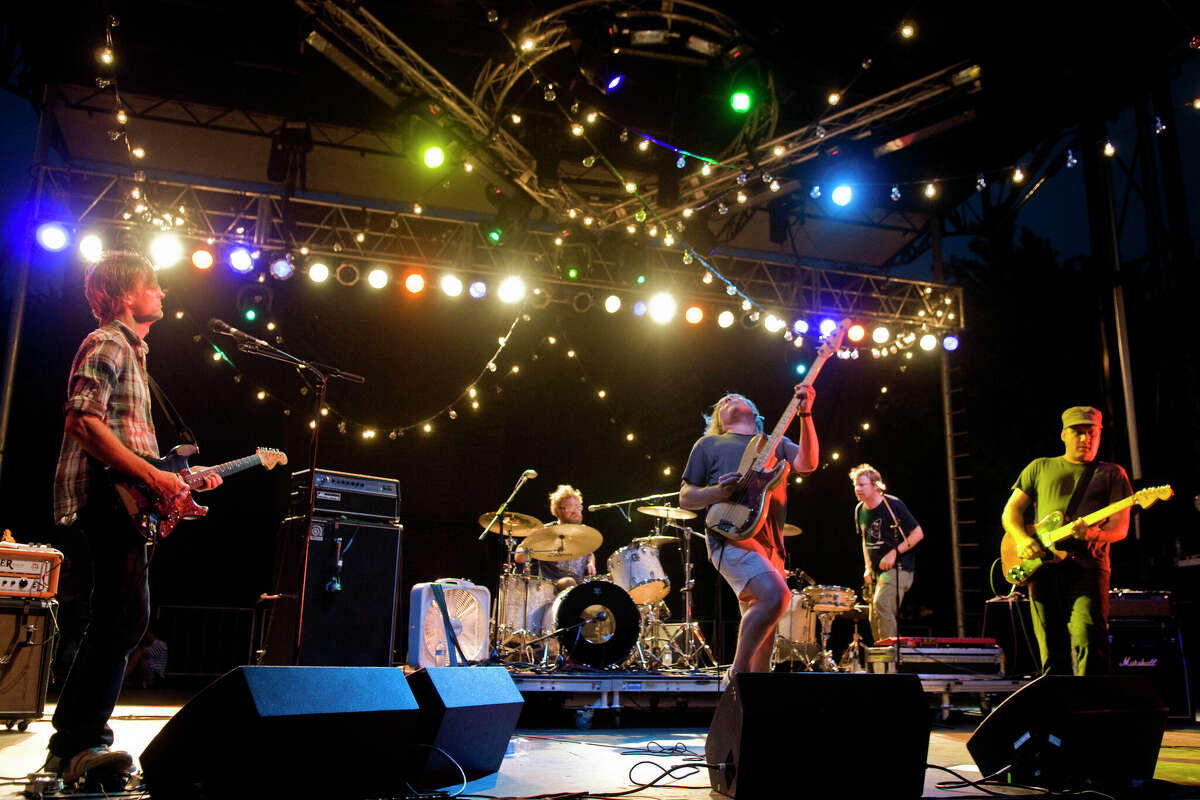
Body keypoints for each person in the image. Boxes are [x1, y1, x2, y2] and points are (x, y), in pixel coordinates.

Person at [45, 251, 221, 786]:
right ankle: (78, 743)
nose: (163, 292)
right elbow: (83, 422)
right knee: (120, 619)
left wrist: (174, 479)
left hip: (126, 499)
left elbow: (132, 445)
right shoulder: (106, 343)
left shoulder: (135, 354)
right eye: (154, 285)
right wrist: (153, 479)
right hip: (106, 497)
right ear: (126, 295)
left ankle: (71, 744)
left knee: (124, 620)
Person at [680, 386, 818, 675]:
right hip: (729, 534)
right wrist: (718, 491)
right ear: (719, 418)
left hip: (769, 544)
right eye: (722, 402)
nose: (727, 398)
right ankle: (737, 673)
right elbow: (686, 498)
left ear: (754, 413)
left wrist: (806, 414)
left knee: (764, 644)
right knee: (776, 596)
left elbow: (808, 463)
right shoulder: (708, 444)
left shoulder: (776, 441)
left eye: (736, 396)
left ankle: (749, 701)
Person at [1001, 406, 1131, 676]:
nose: (1086, 439)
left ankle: (1092, 708)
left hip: (1088, 570)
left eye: (1092, 433)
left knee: (1089, 638)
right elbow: (1010, 512)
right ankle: (1057, 711)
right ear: (1063, 434)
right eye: (1079, 432)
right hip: (1044, 569)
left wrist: (1094, 535)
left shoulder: (1113, 474)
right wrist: (1023, 538)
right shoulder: (1040, 467)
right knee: (1050, 647)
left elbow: (1120, 529)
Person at [850, 463, 924, 642]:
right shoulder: (860, 510)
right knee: (874, 616)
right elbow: (864, 540)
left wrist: (893, 553)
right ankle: (880, 660)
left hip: (899, 568)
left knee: (881, 604)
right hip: (876, 572)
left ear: (875, 485)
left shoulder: (892, 505)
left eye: (862, 484)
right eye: (855, 485)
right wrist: (868, 567)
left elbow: (918, 533)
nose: (857, 489)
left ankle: (890, 660)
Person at [516, 484, 596, 591]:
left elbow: (589, 554)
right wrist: (539, 548)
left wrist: (590, 563)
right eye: (570, 507)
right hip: (552, 587)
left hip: (579, 586)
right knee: (567, 582)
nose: (575, 511)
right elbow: (519, 556)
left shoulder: (583, 533)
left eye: (578, 507)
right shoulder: (546, 531)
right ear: (558, 510)